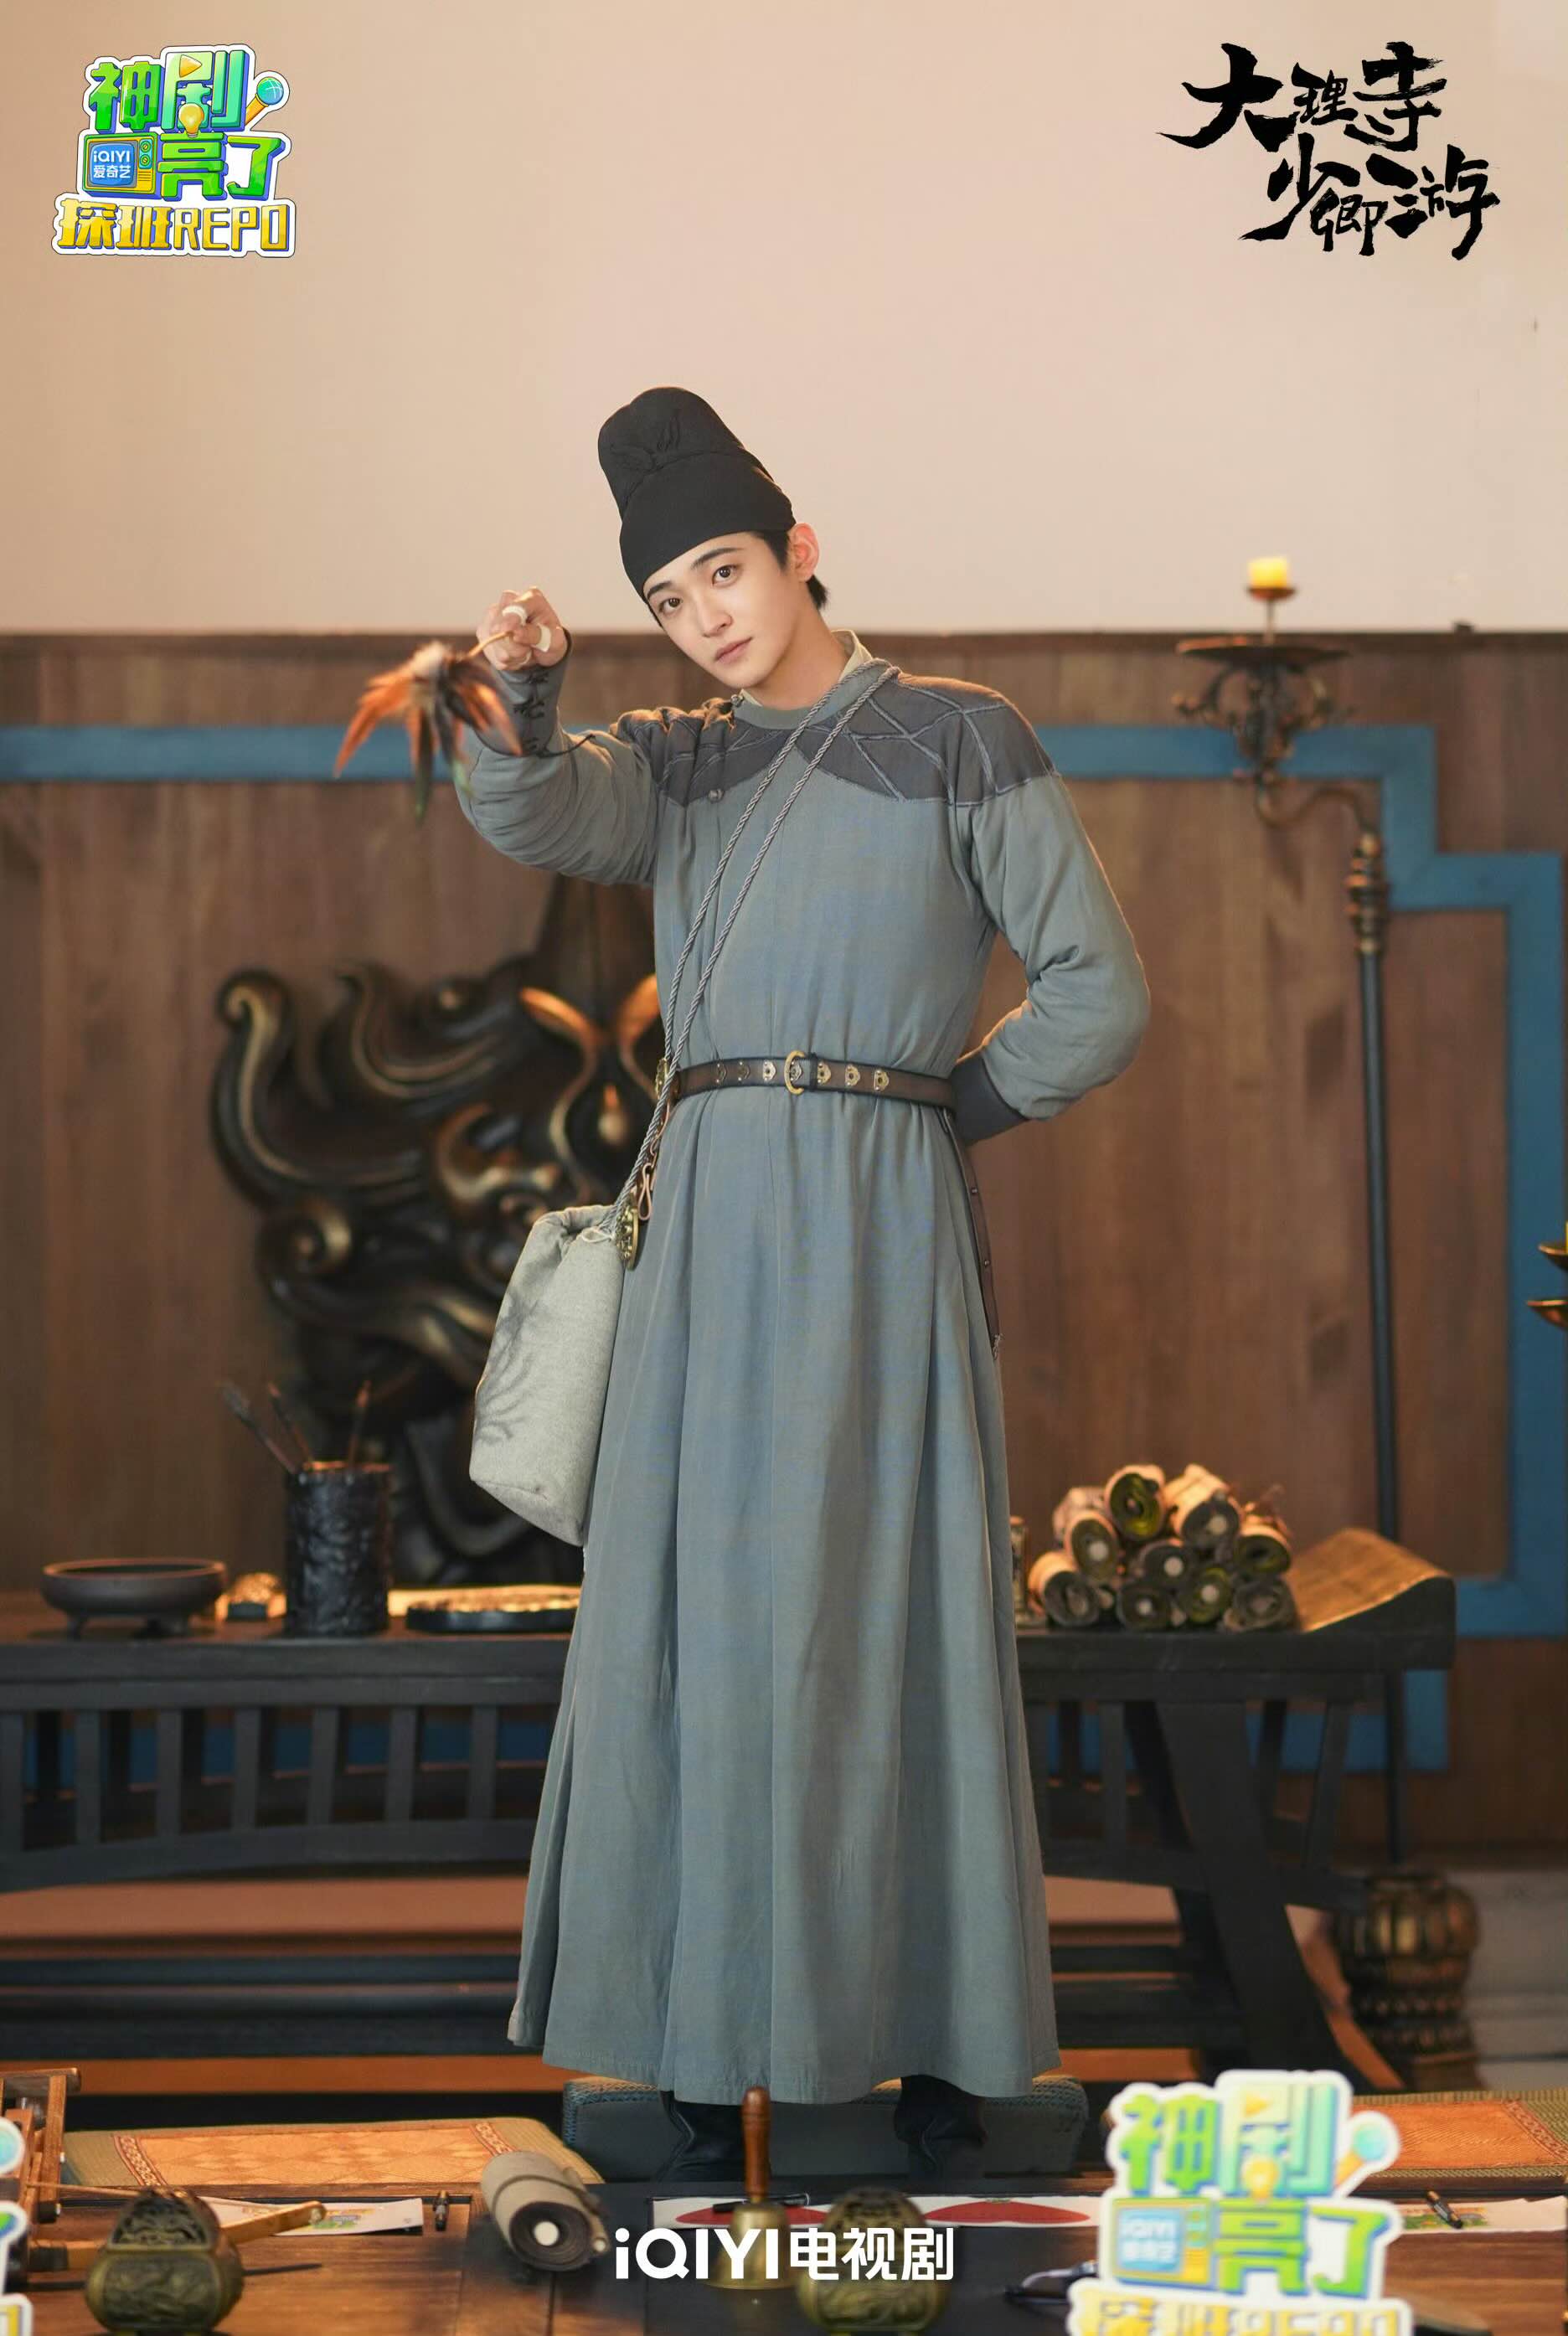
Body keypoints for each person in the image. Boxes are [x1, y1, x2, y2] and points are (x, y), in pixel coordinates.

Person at [456, 386, 1152, 2183]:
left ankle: (923, 2039)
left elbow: (1098, 990)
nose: (706, 615)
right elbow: (537, 812)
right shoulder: (673, 762)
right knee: (697, 1619)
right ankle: (694, 2044)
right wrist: (525, 692)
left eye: (726, 570)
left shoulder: (961, 735)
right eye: (669, 597)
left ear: (800, 548)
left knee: (883, 1611)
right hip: (708, 1229)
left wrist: (932, 1114)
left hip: (877, 1221)